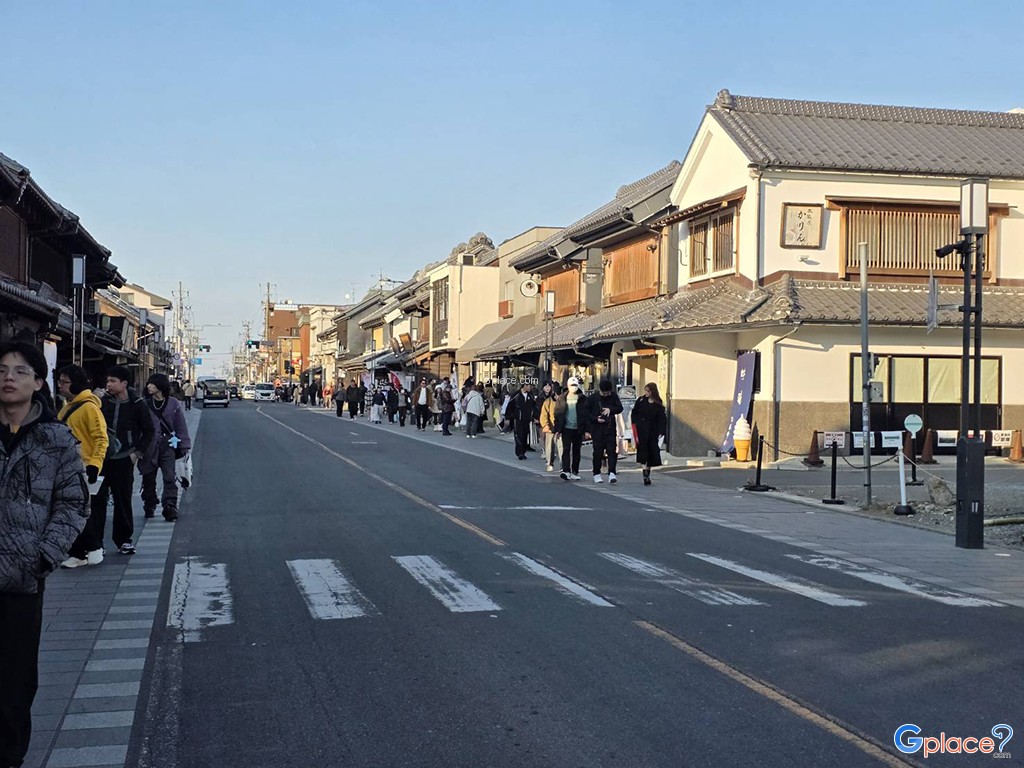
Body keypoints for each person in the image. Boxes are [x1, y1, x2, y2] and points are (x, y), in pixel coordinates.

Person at [0, 341, 89, 768]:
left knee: (15, 682)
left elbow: (73, 504)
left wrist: (42, 557)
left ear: (39, 382)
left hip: (21, 579)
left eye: (20, 371)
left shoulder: (56, 440)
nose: (8, 377)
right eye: (1, 369)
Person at [89, 366, 154, 556]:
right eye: (107, 381)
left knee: (122, 499)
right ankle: (96, 543)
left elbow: (148, 430)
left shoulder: (138, 404)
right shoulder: (101, 402)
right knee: (97, 500)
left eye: (112, 381)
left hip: (125, 457)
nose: (108, 385)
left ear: (124, 383)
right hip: (101, 457)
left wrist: (137, 452)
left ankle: (124, 540)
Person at [56, 365, 109, 568]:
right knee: (71, 511)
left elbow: (100, 439)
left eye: (64, 382)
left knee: (81, 511)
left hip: (84, 467)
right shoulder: (67, 406)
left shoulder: (89, 407)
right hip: (67, 467)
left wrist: (94, 465)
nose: (60, 386)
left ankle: (92, 548)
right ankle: (78, 552)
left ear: (77, 383)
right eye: (59, 382)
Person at [140, 373, 191, 522]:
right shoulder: (144, 403)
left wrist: (184, 445)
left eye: (152, 384)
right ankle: (149, 502)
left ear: (160, 386)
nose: (148, 386)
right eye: (148, 384)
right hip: (149, 445)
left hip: (168, 444)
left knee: (169, 476)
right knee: (148, 476)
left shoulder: (173, 403)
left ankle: (169, 506)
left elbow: (180, 424)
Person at [585, 379, 623, 484]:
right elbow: (586, 413)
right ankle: (596, 473)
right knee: (598, 452)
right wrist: (596, 419)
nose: (606, 395)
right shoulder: (593, 398)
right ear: (600, 390)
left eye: (608, 393)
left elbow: (620, 408)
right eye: (604, 393)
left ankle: (612, 473)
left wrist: (610, 410)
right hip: (597, 429)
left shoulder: (613, 396)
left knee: (612, 451)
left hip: (610, 427)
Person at [631, 382, 668, 486]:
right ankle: (644, 473)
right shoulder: (641, 401)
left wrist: (661, 432)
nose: (646, 393)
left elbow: (662, 419)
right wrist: (636, 424)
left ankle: (648, 473)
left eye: (648, 391)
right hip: (642, 430)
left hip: (653, 431)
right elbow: (634, 413)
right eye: (645, 391)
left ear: (653, 392)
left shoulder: (658, 404)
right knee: (643, 452)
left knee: (651, 453)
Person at [554, 377, 588, 481]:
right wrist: (557, 430)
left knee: (577, 451)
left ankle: (575, 471)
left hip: (578, 428)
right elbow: (557, 414)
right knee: (566, 450)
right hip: (566, 428)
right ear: (568, 386)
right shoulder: (562, 398)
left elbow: (587, 415)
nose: (574, 387)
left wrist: (587, 430)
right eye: (572, 385)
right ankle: (566, 471)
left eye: (575, 385)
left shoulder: (583, 398)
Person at [510, 383, 537, 460]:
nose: (530, 388)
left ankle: (523, 452)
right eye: (528, 386)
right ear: (524, 386)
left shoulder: (530, 395)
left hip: (527, 419)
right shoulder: (516, 395)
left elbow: (534, 406)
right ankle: (519, 453)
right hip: (518, 419)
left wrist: (535, 416)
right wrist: (510, 416)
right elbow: (510, 405)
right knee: (519, 435)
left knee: (525, 436)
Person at [539, 382, 562, 472]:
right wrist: (545, 425)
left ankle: (562, 465)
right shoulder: (548, 401)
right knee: (549, 447)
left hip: (561, 428)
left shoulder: (564, 401)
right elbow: (544, 415)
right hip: (550, 427)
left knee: (561, 447)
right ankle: (549, 463)